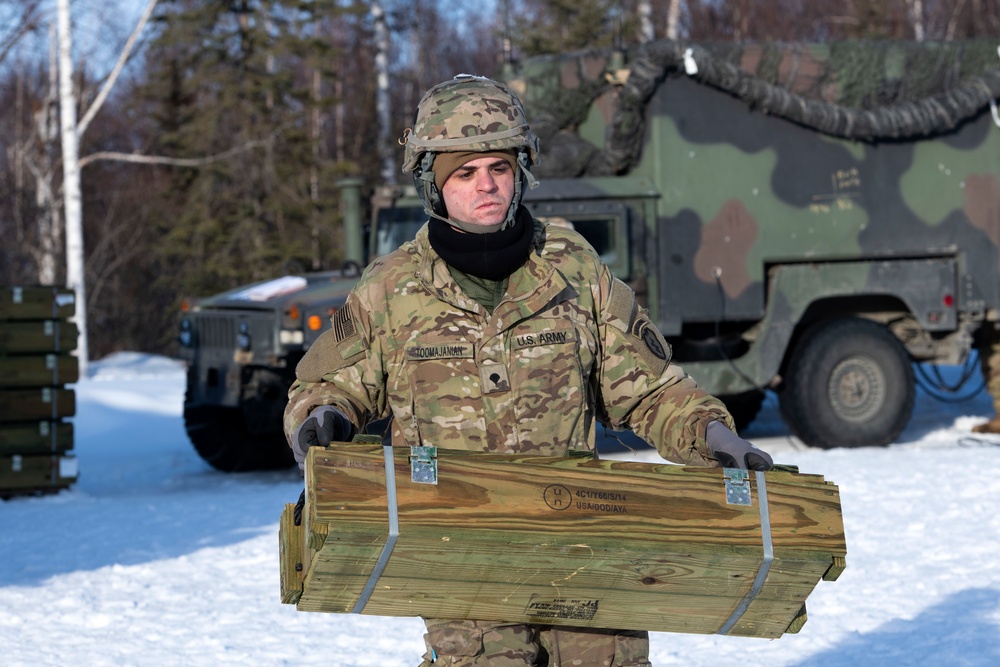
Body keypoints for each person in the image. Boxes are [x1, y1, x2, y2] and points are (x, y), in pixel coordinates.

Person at [284, 74, 773, 667]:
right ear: (433, 184)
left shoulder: (572, 267)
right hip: (457, 540)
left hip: (580, 530)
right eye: (464, 173)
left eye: (499, 167)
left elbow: (647, 389)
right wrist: (324, 418)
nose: (486, 185)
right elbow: (329, 386)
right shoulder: (391, 289)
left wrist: (711, 434)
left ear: (522, 170)